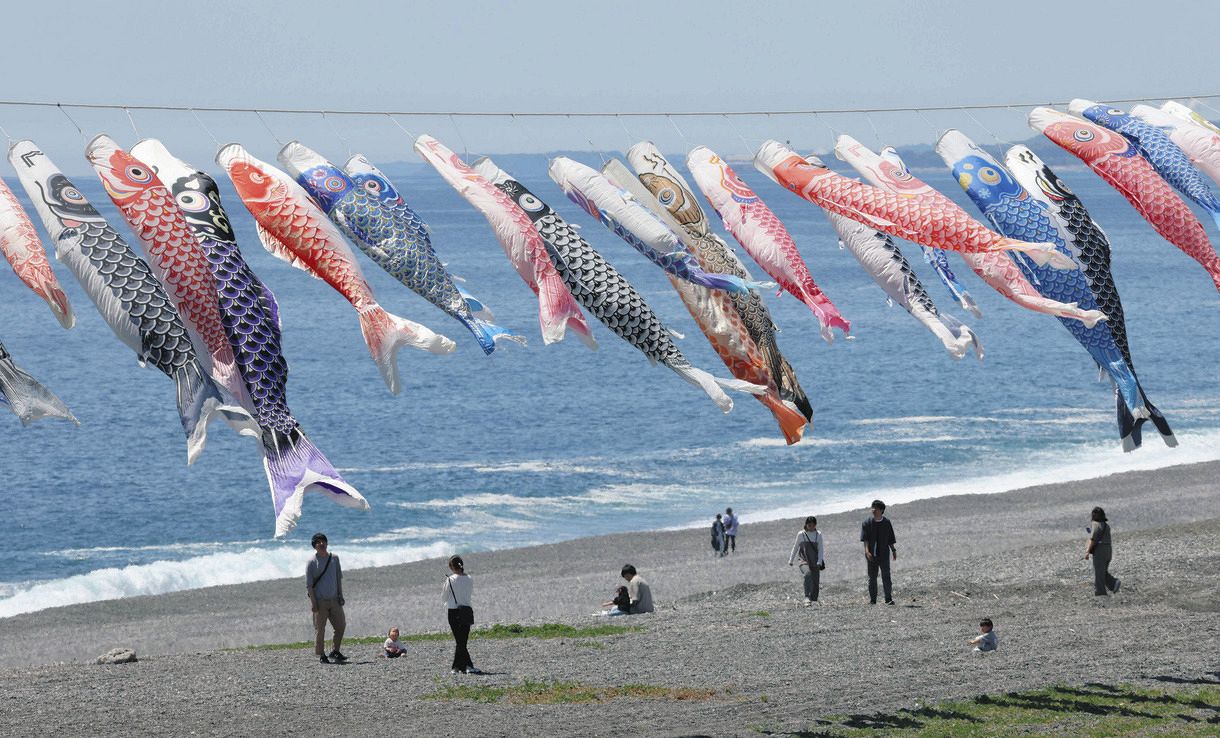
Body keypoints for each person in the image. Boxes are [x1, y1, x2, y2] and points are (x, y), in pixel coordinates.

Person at [306, 532, 347, 664]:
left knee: (341, 626)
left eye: (323, 541)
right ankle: (322, 654)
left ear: (327, 543)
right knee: (320, 629)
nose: (321, 544)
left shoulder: (334, 558)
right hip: (320, 602)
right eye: (318, 542)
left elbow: (338, 578)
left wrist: (341, 595)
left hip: (334, 600)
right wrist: (314, 603)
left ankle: (335, 651)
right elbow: (309, 585)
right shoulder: (311, 562)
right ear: (314, 546)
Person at [443, 555, 481, 674]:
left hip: (453, 611)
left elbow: (444, 597)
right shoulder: (469, 578)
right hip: (467, 610)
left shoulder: (450, 579)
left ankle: (460, 667)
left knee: (460, 641)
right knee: (462, 640)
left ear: (451, 566)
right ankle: (462, 666)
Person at [861, 499, 897, 605]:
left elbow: (890, 538)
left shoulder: (886, 523)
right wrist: (867, 552)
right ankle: (873, 600)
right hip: (871, 555)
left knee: (886, 576)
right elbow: (865, 540)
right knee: (872, 578)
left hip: (884, 554)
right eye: (872, 508)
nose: (873, 510)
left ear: (881, 510)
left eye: (876, 508)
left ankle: (888, 598)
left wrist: (893, 550)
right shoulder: (866, 523)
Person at [787, 516, 824, 606]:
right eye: (809, 525)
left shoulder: (818, 534)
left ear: (815, 525)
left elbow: (821, 549)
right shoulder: (801, 534)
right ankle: (806, 597)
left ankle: (813, 599)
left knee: (815, 581)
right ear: (806, 525)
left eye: (813, 525)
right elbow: (795, 547)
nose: (811, 527)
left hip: (815, 561)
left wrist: (819, 561)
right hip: (803, 560)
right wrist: (791, 560)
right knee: (807, 574)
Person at [1084, 506, 1121, 596]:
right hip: (1108, 549)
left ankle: (1100, 593)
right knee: (1102, 571)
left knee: (1098, 573)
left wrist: (1087, 552)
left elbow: (1092, 538)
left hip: (1100, 551)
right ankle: (1113, 584)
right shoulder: (1106, 526)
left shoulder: (1095, 524)